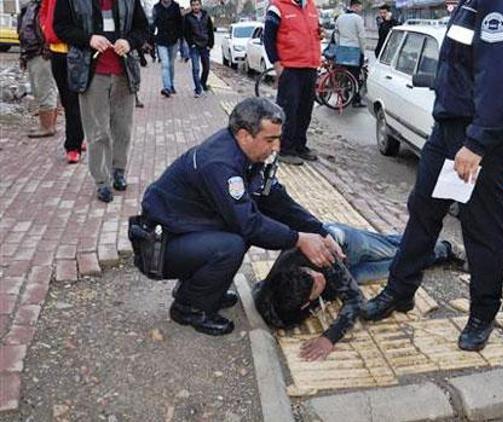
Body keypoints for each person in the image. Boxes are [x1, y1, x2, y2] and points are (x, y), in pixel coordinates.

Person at [362, 0, 503, 352]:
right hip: (448, 129)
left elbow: (502, 80)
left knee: (481, 227)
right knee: (423, 211)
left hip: (478, 136)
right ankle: (400, 291)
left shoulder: (499, 5)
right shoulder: (471, 4)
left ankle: (483, 314)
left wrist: (476, 144)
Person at [138, 98, 344, 336]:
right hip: (158, 249)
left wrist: (320, 232)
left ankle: (195, 289)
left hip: (183, 232)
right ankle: (188, 308)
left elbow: (275, 199)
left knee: (236, 233)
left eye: (278, 138)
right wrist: (299, 239)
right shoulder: (220, 164)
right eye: (270, 140)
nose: (276, 147)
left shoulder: (243, 153)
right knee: (232, 243)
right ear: (245, 135)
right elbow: (250, 225)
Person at [253, 222, 461, 361]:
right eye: (316, 286)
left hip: (343, 244)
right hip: (346, 274)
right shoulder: (279, 308)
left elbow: (355, 299)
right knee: (398, 266)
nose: (319, 278)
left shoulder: (318, 259)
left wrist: (329, 337)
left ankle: (444, 248)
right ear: (305, 303)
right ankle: (427, 247)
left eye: (311, 274)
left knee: (395, 248)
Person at [54, 0, 149, 202]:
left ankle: (118, 171)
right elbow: (60, 27)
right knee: (98, 131)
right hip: (91, 72)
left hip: (124, 73)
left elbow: (142, 28)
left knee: (122, 128)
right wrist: (88, 38)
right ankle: (101, 181)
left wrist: (130, 42)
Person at [264, 0, 322, 165]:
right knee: (289, 110)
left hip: (310, 66)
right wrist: (277, 65)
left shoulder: (310, 6)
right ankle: (285, 149)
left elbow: (314, 31)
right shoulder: (277, 7)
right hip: (290, 68)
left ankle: (299, 146)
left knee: (305, 110)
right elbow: (268, 39)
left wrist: (319, 34)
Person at [40, 0, 86, 163]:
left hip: (78, 50)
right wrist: (46, 29)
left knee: (76, 100)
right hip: (57, 52)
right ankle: (78, 137)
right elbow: (44, 11)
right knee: (68, 101)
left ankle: (73, 145)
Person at [18, 0, 58, 139]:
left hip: (41, 52)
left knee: (45, 89)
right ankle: (47, 125)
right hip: (31, 52)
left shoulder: (46, 5)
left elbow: (48, 28)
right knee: (39, 89)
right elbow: (24, 31)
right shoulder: (29, 7)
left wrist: (47, 48)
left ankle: (47, 127)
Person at [334, 0, 366, 108]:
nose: (360, 9)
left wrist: (339, 46)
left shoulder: (340, 18)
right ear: (355, 6)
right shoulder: (358, 19)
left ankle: (345, 96)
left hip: (342, 50)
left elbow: (336, 35)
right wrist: (362, 51)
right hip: (354, 50)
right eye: (360, 7)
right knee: (355, 76)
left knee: (344, 75)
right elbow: (361, 36)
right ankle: (355, 100)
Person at [151, 0, 183, 97]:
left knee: (171, 64)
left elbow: (180, 23)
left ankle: (171, 84)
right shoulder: (156, 7)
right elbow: (153, 24)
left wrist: (180, 37)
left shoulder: (175, 6)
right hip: (161, 40)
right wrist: (150, 39)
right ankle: (167, 87)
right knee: (165, 64)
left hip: (173, 40)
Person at [183, 0, 214, 98]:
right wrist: (191, 44)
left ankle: (203, 83)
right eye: (193, 5)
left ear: (200, 5)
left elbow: (210, 30)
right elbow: (186, 32)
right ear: (191, 6)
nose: (195, 7)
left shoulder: (206, 16)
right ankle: (198, 89)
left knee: (206, 67)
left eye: (197, 5)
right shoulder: (188, 18)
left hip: (205, 45)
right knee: (196, 68)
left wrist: (210, 44)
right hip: (194, 46)